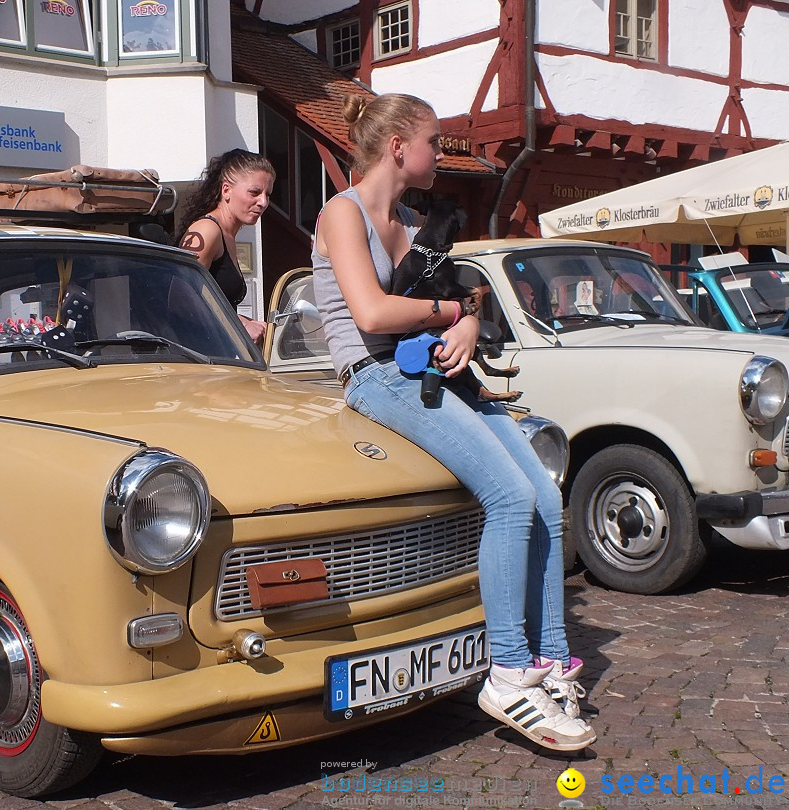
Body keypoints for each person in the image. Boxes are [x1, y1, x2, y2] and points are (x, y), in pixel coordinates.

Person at [312, 93, 596, 752]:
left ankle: (550, 660)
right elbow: (375, 315)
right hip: (377, 376)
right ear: (398, 147)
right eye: (435, 143)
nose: (442, 154)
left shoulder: (412, 221)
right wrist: (450, 312)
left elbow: (460, 297)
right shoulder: (340, 213)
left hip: (434, 372)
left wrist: (466, 319)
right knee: (509, 497)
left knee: (547, 498)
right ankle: (506, 670)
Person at [179, 149, 274, 344]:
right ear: (226, 190)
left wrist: (251, 324)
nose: (263, 202)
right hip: (194, 357)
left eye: (267, 194)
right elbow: (181, 299)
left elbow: (216, 304)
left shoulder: (227, 235)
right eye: (254, 192)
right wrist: (242, 325)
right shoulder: (207, 230)